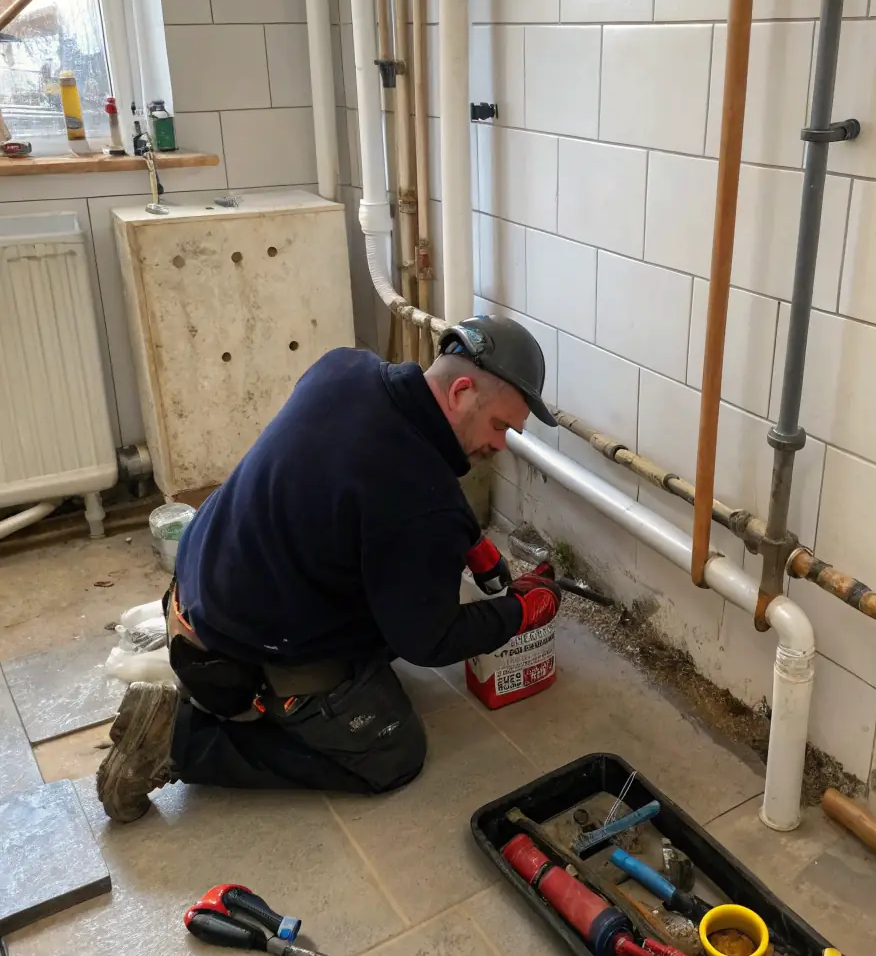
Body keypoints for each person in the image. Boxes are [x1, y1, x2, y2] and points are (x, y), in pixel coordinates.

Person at [96, 316, 561, 823]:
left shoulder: (346, 368)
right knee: (394, 754)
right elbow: (430, 641)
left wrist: (466, 537)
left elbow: (357, 478)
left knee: (390, 591)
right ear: (462, 391)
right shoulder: (419, 502)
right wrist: (518, 612)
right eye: (499, 426)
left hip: (202, 583)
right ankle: (182, 741)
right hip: (230, 654)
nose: (499, 445)